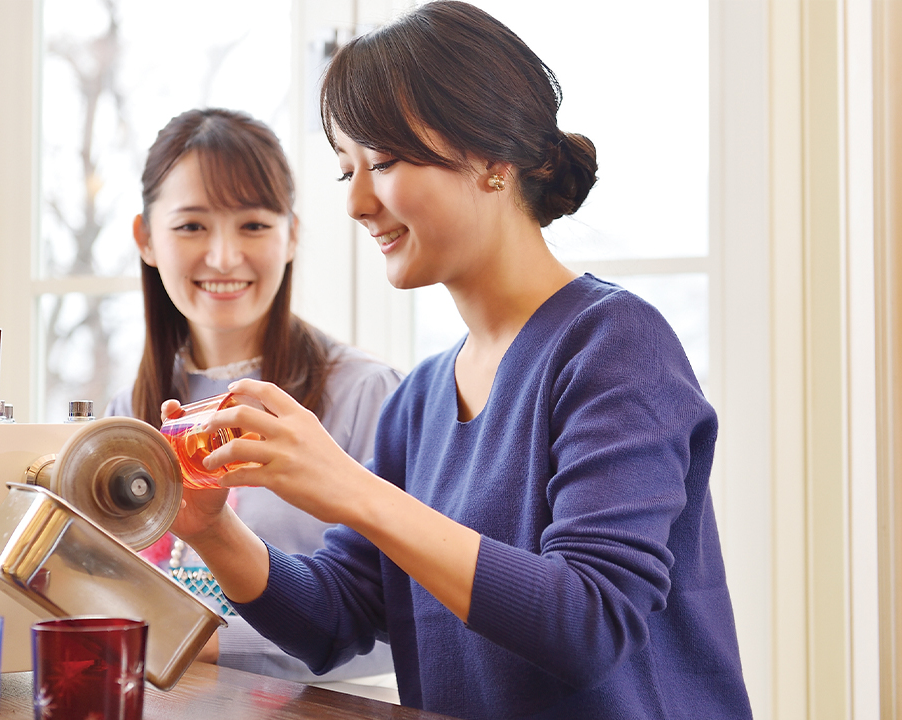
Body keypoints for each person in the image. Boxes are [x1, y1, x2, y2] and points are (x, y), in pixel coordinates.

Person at [164, 3, 754, 719]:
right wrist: (210, 528)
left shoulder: (615, 344)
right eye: (346, 169)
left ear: (495, 160)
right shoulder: (418, 401)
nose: (355, 202)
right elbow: (335, 620)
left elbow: (592, 621)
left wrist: (351, 488)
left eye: (381, 162)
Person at [103, 107, 402, 684]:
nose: (223, 257)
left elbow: (398, 622)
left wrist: (197, 642)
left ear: (292, 235)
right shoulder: (128, 414)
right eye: (191, 226)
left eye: (253, 225)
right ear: (145, 238)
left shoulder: (366, 393)